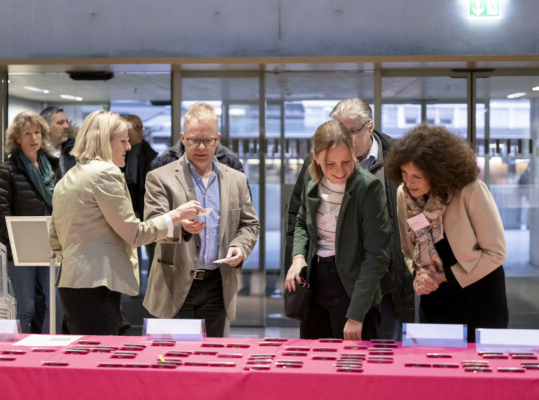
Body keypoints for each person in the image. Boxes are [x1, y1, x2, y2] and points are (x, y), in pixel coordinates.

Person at [49, 110, 202, 335]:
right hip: (97, 286)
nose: (128, 147)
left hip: (72, 284)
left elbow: (54, 238)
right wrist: (175, 215)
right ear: (104, 142)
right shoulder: (105, 174)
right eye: (123, 141)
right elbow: (134, 234)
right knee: (102, 362)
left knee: (84, 361)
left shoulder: (69, 177)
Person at [285, 98, 414, 340]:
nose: (339, 169)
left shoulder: (382, 171)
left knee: (368, 360)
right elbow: (300, 218)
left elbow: (380, 249)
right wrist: (297, 256)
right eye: (330, 164)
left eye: (351, 131)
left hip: (370, 281)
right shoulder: (313, 174)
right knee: (315, 364)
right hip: (318, 283)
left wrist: (356, 312)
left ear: (370, 127)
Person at [143, 102, 260, 337]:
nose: (201, 147)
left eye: (207, 140)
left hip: (218, 283)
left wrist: (239, 247)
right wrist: (181, 227)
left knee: (212, 362)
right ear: (183, 138)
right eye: (194, 140)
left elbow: (250, 224)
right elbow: (151, 225)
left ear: (218, 139)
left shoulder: (235, 179)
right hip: (173, 283)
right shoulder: (159, 178)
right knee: (174, 363)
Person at [385, 124, 508, 343]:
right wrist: (420, 277)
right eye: (404, 173)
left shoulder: (470, 188)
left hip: (479, 293)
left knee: (480, 369)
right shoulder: (404, 195)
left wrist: (444, 277)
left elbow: (496, 253)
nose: (408, 182)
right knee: (437, 366)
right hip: (435, 296)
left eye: (417, 176)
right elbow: (407, 250)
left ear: (437, 172)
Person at [0, 111, 61, 334]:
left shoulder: (52, 166)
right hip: (20, 249)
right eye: (27, 133)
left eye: (38, 132)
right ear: (17, 139)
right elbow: (1, 213)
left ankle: (49, 347)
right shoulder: (8, 170)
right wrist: (15, 242)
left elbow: (62, 203)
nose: (34, 138)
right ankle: (22, 350)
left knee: (55, 304)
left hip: (51, 245)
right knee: (26, 307)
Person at [122, 114, 158, 276]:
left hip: (149, 209)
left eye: (141, 127)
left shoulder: (149, 154)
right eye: (136, 128)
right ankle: (134, 286)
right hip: (128, 210)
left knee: (154, 250)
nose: (140, 131)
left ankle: (152, 286)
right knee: (132, 251)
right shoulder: (119, 153)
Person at [40, 106, 75, 174]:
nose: (66, 126)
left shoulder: (73, 150)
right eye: (60, 123)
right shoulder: (36, 152)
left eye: (66, 122)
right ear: (46, 126)